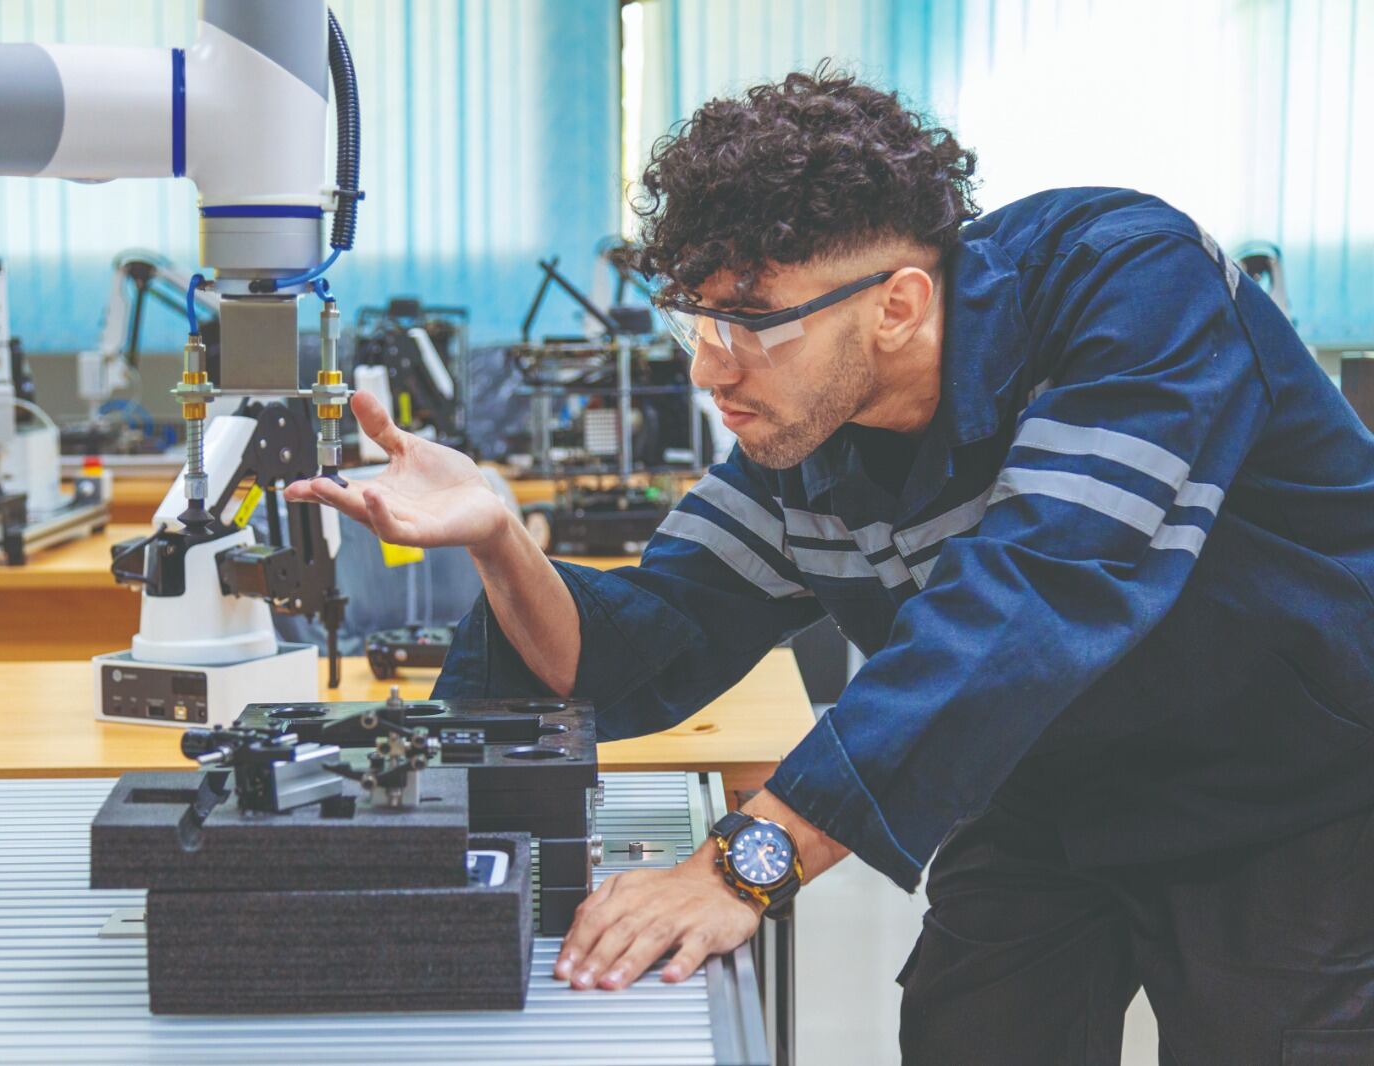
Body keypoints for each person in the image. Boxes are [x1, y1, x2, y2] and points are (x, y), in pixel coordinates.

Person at [287, 67, 1374, 1063]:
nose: (713, 368)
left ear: (896, 303)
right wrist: (500, 539)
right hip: (1049, 782)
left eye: (752, 320)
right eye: (697, 321)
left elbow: (1038, 589)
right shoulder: (805, 456)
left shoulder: (1127, 281)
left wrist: (740, 866)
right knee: (968, 1034)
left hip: (1289, 797)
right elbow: (629, 649)